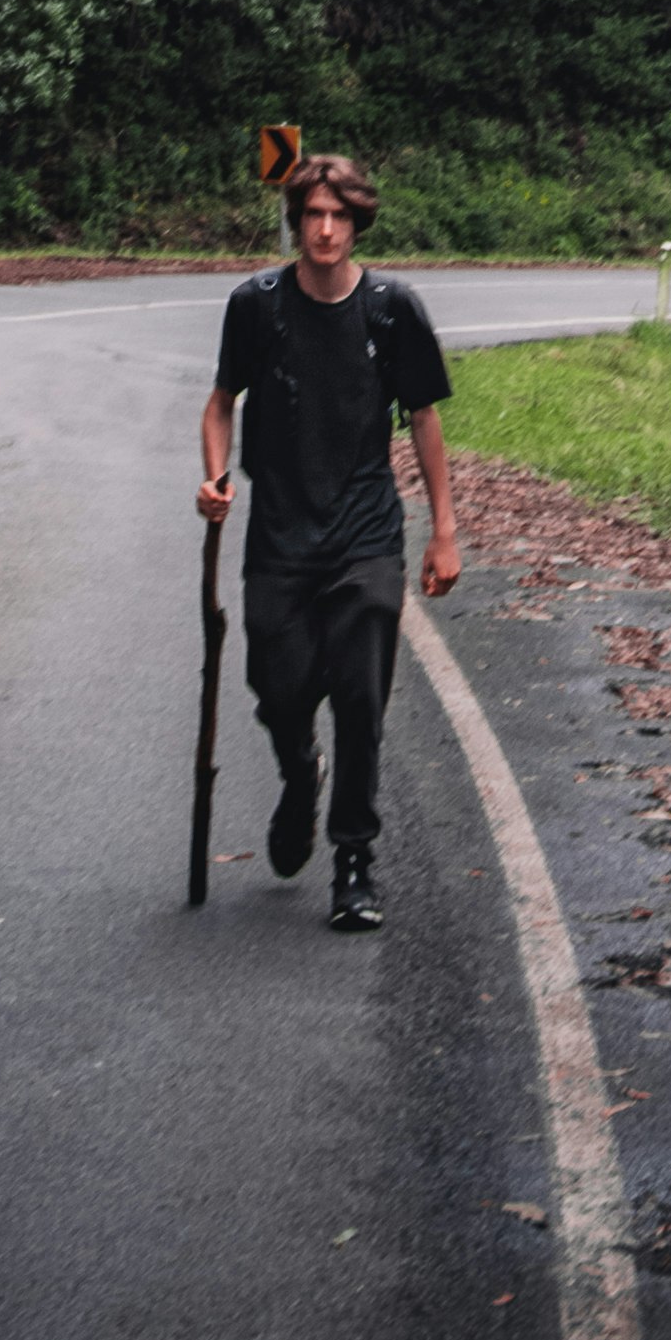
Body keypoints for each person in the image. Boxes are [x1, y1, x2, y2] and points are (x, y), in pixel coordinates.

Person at [197, 152, 457, 930]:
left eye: (338, 216)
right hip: (278, 535)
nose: (323, 228)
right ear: (295, 219)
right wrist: (215, 479)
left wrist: (444, 531)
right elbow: (219, 405)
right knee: (277, 693)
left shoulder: (390, 310)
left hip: (364, 536)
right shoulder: (257, 306)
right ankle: (297, 775)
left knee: (358, 699)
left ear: (358, 222)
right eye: (311, 213)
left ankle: (353, 861)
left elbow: (423, 420)